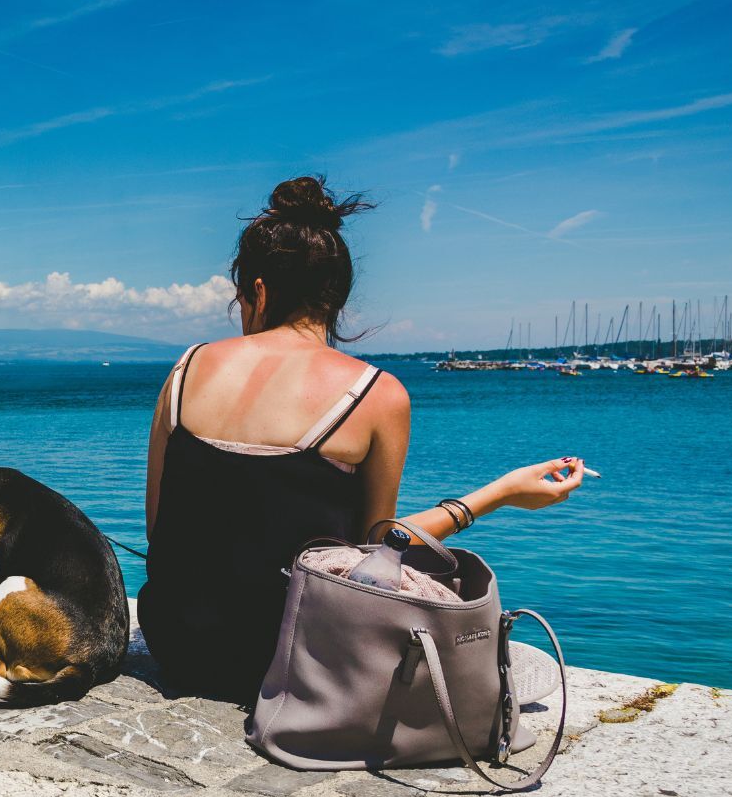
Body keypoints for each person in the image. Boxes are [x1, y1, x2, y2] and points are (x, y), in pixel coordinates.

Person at [140, 176, 585, 700]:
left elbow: (158, 530)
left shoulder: (187, 368)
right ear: (338, 297)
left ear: (257, 290)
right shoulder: (377, 393)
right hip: (292, 661)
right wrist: (497, 495)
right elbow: (374, 553)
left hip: (179, 646)